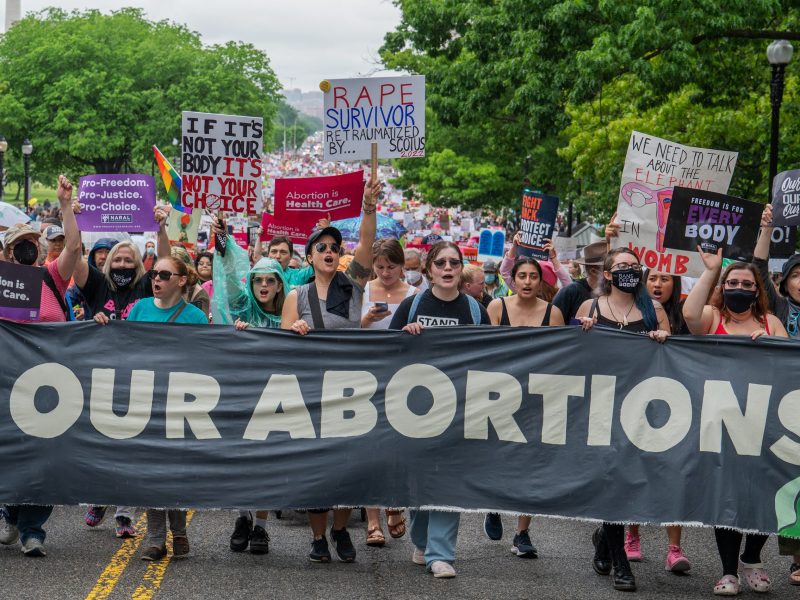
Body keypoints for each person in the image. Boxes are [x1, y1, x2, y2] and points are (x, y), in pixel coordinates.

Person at [281, 175, 380, 564]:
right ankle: (319, 537)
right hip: (310, 392)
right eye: (320, 246)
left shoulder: (352, 286)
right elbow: (284, 344)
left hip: (350, 390)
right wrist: (296, 329)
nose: (328, 250)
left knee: (348, 467)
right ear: (309, 257)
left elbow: (368, 245)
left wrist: (367, 206)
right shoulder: (297, 295)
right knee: (317, 470)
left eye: (334, 247)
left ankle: (341, 528)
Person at [682, 247, 786, 595]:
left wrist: (771, 343)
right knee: (725, 496)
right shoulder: (712, 317)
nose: (739, 288)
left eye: (747, 283)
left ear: (758, 290)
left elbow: (788, 370)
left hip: (762, 424)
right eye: (732, 282)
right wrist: (711, 269)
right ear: (723, 286)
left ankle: (752, 558)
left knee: (763, 492)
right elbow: (689, 314)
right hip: (720, 423)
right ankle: (729, 571)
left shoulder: (770, 323)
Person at [389, 241, 491, 579]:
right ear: (429, 269)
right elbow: (386, 353)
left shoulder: (476, 311)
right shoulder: (412, 305)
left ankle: (441, 554)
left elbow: (495, 358)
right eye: (441, 263)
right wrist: (405, 336)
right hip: (415, 410)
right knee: (419, 483)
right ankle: (422, 540)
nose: (448, 269)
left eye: (454, 263)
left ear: (461, 269)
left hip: (459, 410)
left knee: (448, 483)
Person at [94, 255, 206, 561]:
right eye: (154, 274)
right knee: (151, 472)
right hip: (145, 401)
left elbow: (204, 359)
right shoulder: (140, 308)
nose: (156, 279)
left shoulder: (195, 317)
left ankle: (179, 532)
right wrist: (103, 326)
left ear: (182, 281)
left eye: (165, 275)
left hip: (179, 403)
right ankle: (156, 539)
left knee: (175, 471)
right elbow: (126, 348)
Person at [576, 247, 671, 592]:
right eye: (622, 266)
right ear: (609, 274)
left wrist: (663, 339)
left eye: (634, 265)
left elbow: (670, 362)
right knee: (611, 480)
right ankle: (621, 564)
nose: (630, 270)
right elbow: (571, 357)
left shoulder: (654, 310)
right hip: (600, 406)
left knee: (629, 479)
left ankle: (604, 536)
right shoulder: (590, 307)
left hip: (639, 408)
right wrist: (581, 331)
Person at [73, 204, 170, 536]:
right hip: (100, 378)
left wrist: (161, 228)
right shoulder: (98, 286)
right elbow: (73, 260)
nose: (123, 265)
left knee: (132, 446)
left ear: (140, 265)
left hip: (139, 378)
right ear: (108, 262)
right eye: (118, 259)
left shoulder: (145, 288)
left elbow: (167, 265)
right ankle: (100, 498)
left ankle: (124, 512)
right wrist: (69, 216)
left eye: (130, 260)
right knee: (102, 443)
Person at [0, 176, 81, 557]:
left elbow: (76, 248)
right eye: (20, 245)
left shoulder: (52, 277)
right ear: (7, 254)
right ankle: (12, 514)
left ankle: (33, 529)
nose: (28, 249)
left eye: (32, 243)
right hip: (8, 384)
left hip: (50, 386)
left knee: (46, 457)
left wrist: (65, 205)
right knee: (11, 452)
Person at [207, 217, 288, 554]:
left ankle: (262, 527)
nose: (264, 285)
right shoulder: (242, 306)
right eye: (259, 280)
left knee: (268, 464)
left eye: (271, 280)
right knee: (242, 461)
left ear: (280, 284)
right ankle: (243, 517)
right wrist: (222, 239)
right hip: (242, 396)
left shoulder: (288, 314)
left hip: (276, 401)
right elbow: (227, 276)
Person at [482, 257, 564, 558]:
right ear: (512, 279)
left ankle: (522, 532)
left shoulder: (553, 313)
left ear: (540, 281)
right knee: (498, 459)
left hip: (535, 399)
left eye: (533, 276)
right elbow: (486, 354)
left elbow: (559, 359)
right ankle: (492, 505)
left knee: (531, 466)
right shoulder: (497, 307)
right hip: (500, 396)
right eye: (522, 276)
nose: (528, 281)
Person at [753, 204, 800, 583]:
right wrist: (766, 229)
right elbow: (757, 270)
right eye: (797, 275)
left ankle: (799, 560)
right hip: (781, 409)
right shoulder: (778, 309)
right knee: (786, 483)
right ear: (784, 283)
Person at [360, 238, 416, 547]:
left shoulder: (414, 294)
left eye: (391, 266)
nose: (385, 272)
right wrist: (366, 320)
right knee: (370, 448)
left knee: (396, 449)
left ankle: (394, 504)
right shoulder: (365, 290)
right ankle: (372, 520)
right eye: (379, 267)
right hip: (370, 376)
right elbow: (348, 330)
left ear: (402, 264)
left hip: (402, 378)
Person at [552, 240, 607, 322]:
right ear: (594, 271)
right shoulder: (571, 292)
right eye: (609, 267)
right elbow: (552, 324)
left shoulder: (615, 292)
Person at [171, 245, 210, 317]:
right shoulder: (161, 287)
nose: (173, 271)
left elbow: (202, 325)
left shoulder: (199, 295)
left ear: (187, 267)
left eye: (178, 267)